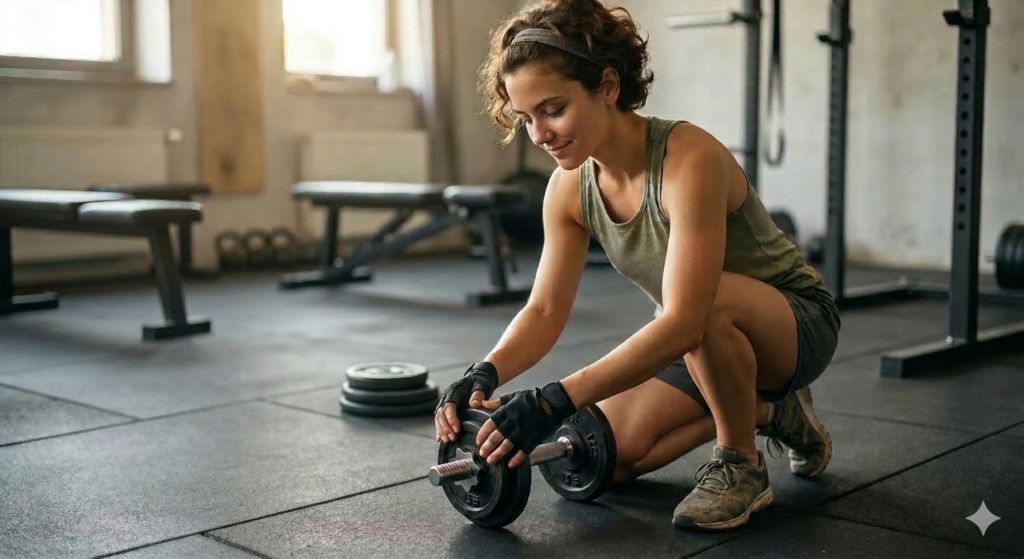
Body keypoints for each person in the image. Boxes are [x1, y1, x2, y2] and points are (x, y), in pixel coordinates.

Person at [434, 0, 840, 531]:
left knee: (701, 307)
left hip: (793, 324)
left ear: (607, 85)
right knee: (604, 453)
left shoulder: (687, 159)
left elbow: (685, 320)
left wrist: (551, 397)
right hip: (699, 341)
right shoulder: (568, 189)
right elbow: (545, 309)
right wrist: (483, 372)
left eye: (553, 110)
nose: (539, 135)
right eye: (525, 118)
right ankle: (771, 412)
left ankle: (741, 462)